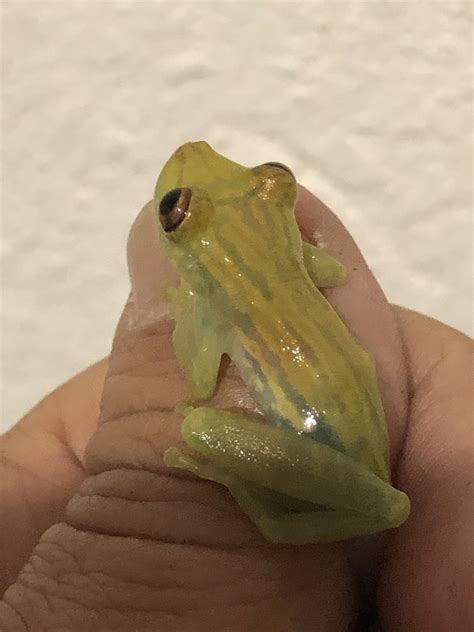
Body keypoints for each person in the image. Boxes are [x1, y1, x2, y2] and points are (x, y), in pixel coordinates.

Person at [0, 188, 472, 631]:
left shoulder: (222, 298)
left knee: (201, 427)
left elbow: (202, 381)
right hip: (357, 429)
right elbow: (332, 272)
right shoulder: (287, 270)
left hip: (322, 438)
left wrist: (187, 307)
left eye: (175, 213)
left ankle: (266, 509)